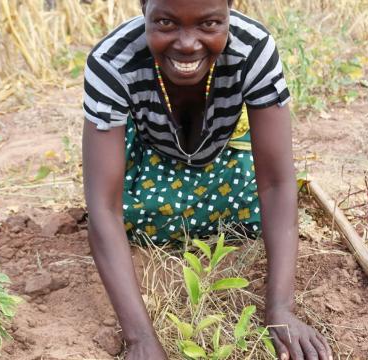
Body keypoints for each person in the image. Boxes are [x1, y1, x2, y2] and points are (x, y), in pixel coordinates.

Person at [82, 0, 332, 359]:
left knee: (260, 212)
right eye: (166, 23)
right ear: (143, 8)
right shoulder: (111, 62)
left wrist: (280, 309)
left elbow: (277, 183)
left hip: (219, 159)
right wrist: (141, 339)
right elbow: (103, 208)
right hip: (151, 162)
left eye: (210, 24)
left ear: (230, 11)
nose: (187, 43)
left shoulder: (253, 48)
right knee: (126, 218)